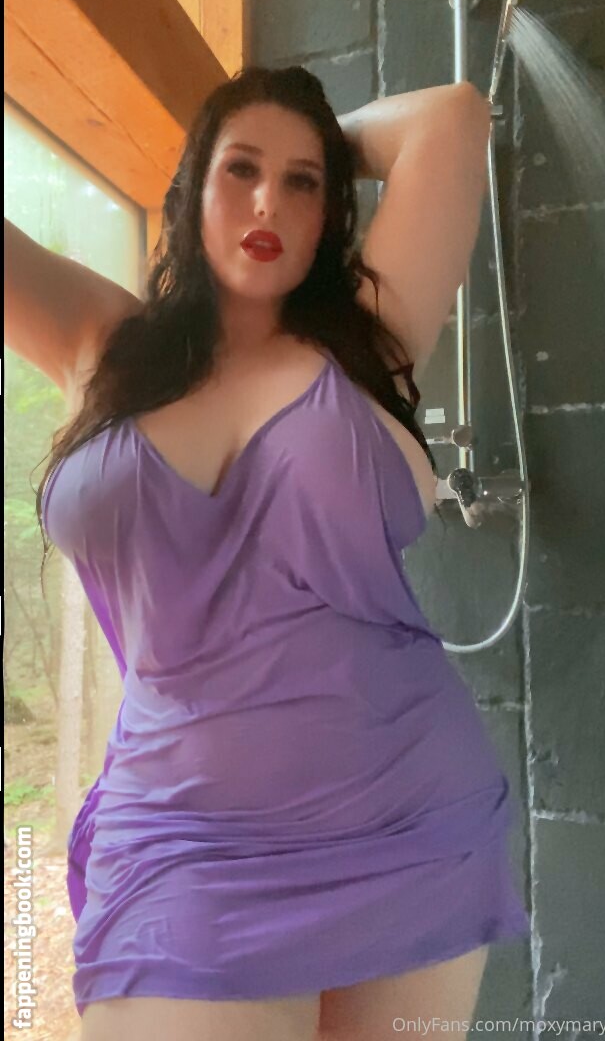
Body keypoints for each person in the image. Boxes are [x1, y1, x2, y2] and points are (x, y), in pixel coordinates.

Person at [4, 66, 529, 1041]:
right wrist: (264, 144)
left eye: (302, 182)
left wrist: (315, 137)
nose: (267, 204)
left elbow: (451, 118)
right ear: (191, 186)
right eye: (239, 169)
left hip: (406, 823)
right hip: (179, 844)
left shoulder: (367, 339)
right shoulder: (103, 342)